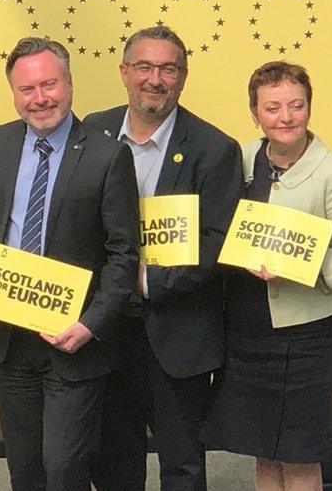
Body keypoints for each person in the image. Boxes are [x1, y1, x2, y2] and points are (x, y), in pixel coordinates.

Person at [0, 37, 139, 491]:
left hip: (74, 342)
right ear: (13, 93)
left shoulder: (108, 155)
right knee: (25, 471)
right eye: (27, 89)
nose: (40, 98)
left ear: (69, 84)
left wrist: (90, 325)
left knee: (64, 468)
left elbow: (124, 254)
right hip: (9, 341)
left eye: (49, 84)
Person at [84, 25, 242, 491]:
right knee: (111, 461)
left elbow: (215, 246)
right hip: (104, 331)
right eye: (144, 67)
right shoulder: (91, 130)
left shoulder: (215, 149)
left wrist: (142, 280)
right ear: (124, 72)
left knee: (182, 465)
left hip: (178, 336)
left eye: (168, 69)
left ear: (183, 77)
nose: (155, 79)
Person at [201, 61, 332, 490]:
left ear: (309, 108)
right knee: (263, 449)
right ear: (255, 113)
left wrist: (302, 269)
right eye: (273, 108)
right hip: (247, 330)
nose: (286, 117)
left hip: (305, 336)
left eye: (296, 106)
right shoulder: (240, 159)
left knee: (299, 454)